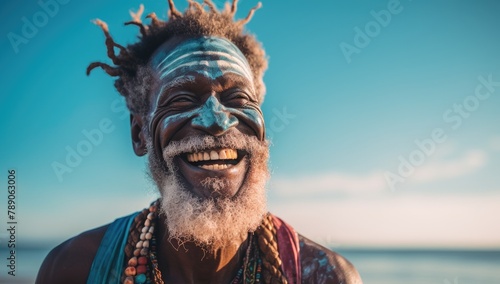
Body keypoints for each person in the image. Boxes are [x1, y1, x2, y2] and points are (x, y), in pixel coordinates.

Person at [36, 1, 362, 283]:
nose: (217, 121)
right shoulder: (74, 269)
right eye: (181, 100)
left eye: (237, 98)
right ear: (140, 134)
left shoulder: (325, 276)